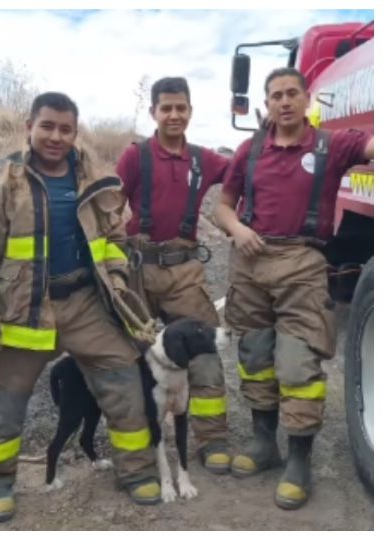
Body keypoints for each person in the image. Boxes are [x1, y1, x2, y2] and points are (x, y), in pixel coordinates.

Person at [0, 91, 159, 522]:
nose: (55, 136)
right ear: (28, 126)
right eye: (47, 126)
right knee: (5, 397)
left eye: (65, 129)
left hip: (85, 303)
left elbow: (113, 240)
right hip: (25, 308)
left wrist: (118, 280)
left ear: (75, 132)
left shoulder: (94, 180)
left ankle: (137, 471)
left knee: (124, 380)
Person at [213, 67, 373, 510]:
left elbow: (371, 145)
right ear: (267, 103)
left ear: (306, 100)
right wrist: (237, 231)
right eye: (275, 95)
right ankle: (265, 444)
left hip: (303, 263)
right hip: (250, 261)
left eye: (291, 94)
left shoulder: (330, 145)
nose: (283, 102)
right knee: (255, 356)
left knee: (298, 362)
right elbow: (223, 209)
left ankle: (299, 459)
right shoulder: (249, 150)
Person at [116, 77, 232, 474]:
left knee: (204, 353)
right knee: (131, 355)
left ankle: (212, 439)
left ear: (190, 112)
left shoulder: (205, 160)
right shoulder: (134, 157)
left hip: (184, 271)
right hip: (138, 272)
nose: (174, 114)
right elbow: (108, 209)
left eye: (181, 107)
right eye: (166, 108)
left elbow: (248, 173)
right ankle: (139, 443)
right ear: (153, 112)